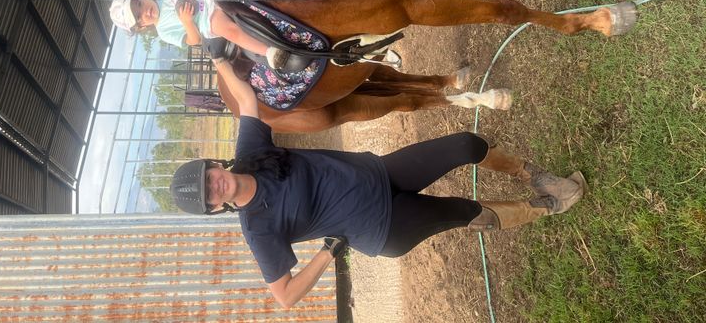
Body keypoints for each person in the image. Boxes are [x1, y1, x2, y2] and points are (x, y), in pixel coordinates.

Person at [170, 59, 587, 309]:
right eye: (209, 195)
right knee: (464, 211)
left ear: (214, 165)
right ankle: (547, 206)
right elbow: (284, 296)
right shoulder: (258, 230)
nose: (216, 186)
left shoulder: (250, 155)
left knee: (465, 144)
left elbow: (246, 101)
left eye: (209, 177)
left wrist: (221, 61)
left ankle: (532, 174)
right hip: (382, 227)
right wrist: (328, 252)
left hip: (381, 172)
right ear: (213, 208)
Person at [109, 0, 291, 69]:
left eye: (139, 4)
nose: (145, 11)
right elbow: (193, 40)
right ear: (141, 27)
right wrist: (187, 21)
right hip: (207, 18)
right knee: (229, 30)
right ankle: (269, 52)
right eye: (139, 16)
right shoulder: (164, 32)